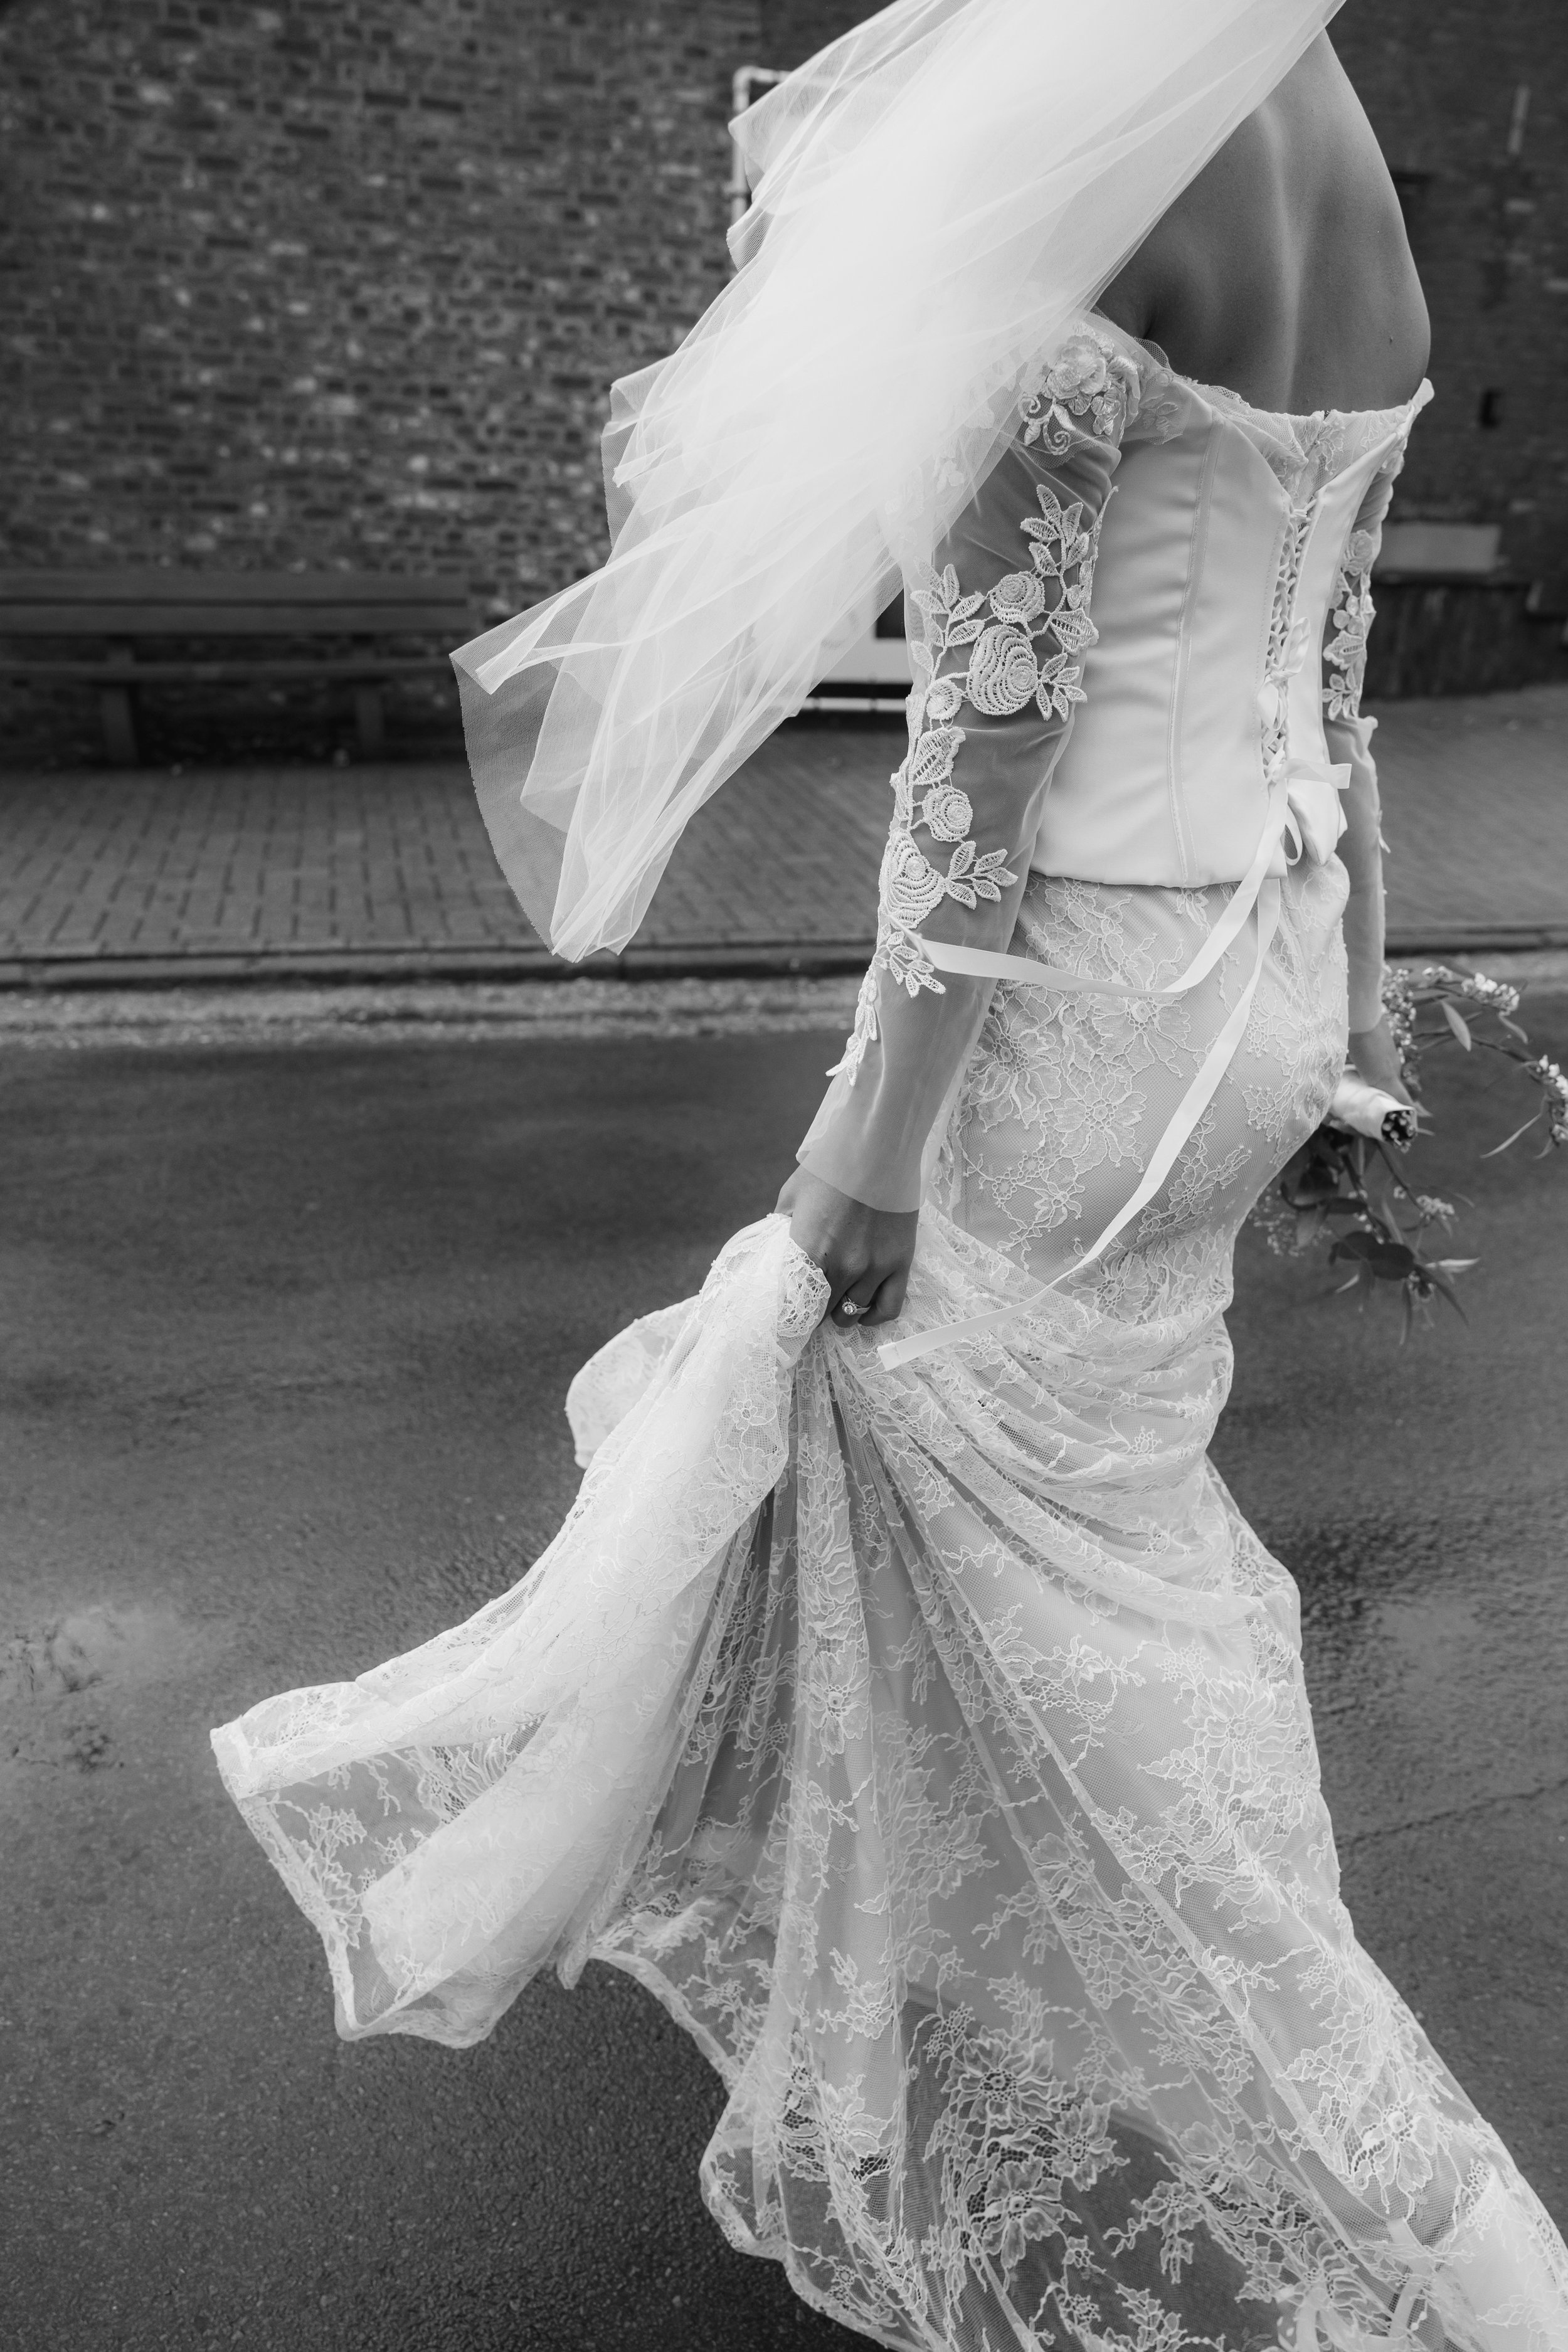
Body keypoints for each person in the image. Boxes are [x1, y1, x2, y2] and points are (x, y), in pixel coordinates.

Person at [213, 6, 1568, 2346]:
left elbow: (990, 735)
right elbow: (1326, 684)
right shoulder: (1334, 123)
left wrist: (870, 1140)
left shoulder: (1096, 141)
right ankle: (929, 1940)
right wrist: (1348, 1013)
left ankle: (1435, 2226)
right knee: (999, 1495)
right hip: (1243, 977)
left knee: (949, 1485)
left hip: (1065, 1012)